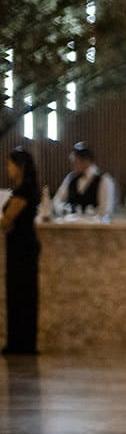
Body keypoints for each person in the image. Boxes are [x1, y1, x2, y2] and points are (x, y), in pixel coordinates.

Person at [4, 147, 42, 355]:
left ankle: (22, 343)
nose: (7, 168)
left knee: (21, 294)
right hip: (20, 246)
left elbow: (8, 219)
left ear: (19, 167)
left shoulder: (24, 191)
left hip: (22, 249)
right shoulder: (25, 189)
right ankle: (20, 341)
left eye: (9, 164)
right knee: (20, 294)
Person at [52, 141, 115, 216]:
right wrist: (63, 209)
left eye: (75, 161)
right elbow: (57, 200)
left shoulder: (104, 180)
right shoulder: (70, 178)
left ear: (86, 160)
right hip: (69, 225)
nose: (72, 165)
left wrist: (89, 214)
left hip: (94, 226)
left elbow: (106, 209)